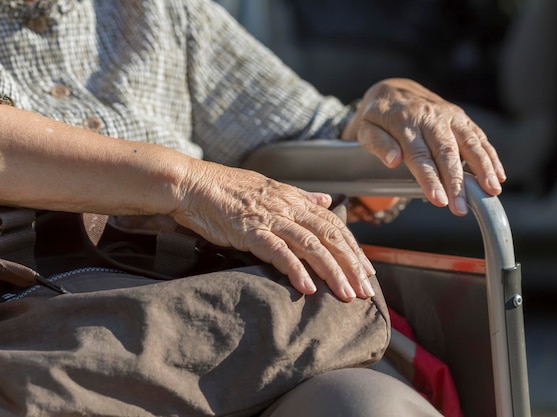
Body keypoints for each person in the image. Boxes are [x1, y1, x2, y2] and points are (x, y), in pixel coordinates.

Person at [0, 1, 506, 416]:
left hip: (217, 318)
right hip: (32, 325)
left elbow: (323, 137)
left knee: (367, 409)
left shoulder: (156, 12)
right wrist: (190, 184)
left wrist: (392, 106)